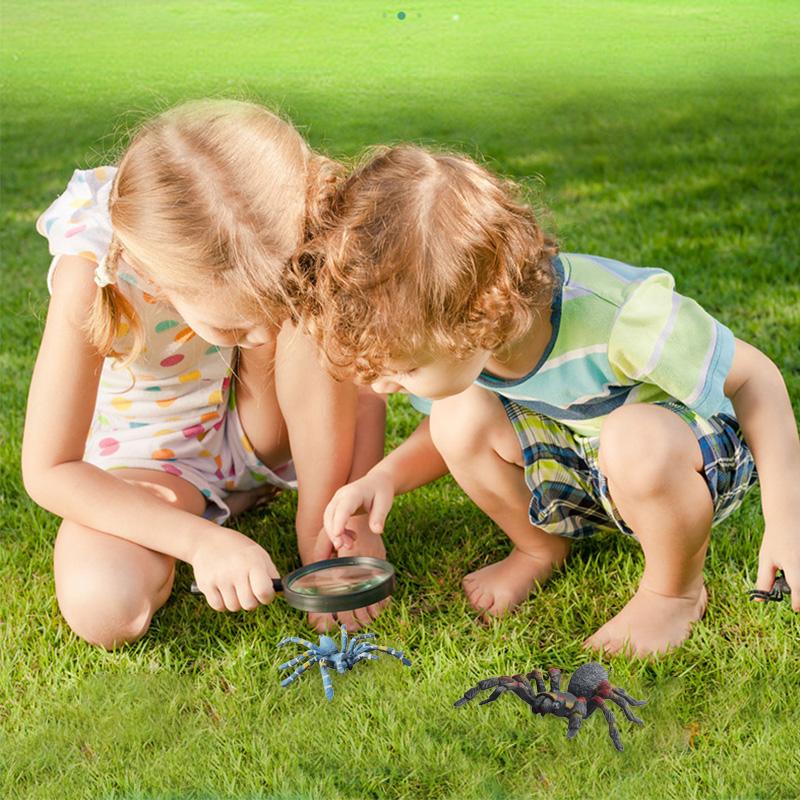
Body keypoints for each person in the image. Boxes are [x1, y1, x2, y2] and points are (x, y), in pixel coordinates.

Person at [293, 144, 800, 656]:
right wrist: (383, 477)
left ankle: (673, 593)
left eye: (404, 369)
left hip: (688, 461)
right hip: (592, 463)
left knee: (632, 439)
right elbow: (441, 439)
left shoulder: (620, 317)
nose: (383, 386)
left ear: (476, 318)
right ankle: (539, 547)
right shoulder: (478, 340)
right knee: (456, 416)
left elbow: (755, 379)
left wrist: (786, 517)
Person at [21, 100, 387, 649]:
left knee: (307, 324)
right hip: (154, 459)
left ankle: (322, 509)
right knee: (105, 603)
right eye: (236, 327)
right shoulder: (91, 276)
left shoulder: (273, 224)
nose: (262, 337)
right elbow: (49, 470)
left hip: (267, 428)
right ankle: (225, 506)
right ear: (162, 279)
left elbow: (327, 371)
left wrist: (327, 527)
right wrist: (198, 543)